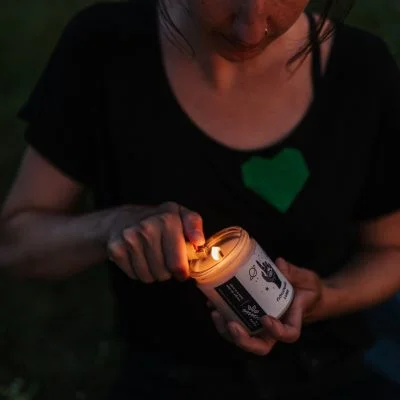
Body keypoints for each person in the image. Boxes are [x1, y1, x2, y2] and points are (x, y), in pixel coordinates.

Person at [1, 0, 400, 398]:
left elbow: (390, 249)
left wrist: (327, 298)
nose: (250, 29)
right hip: (172, 377)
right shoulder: (107, 48)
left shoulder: (359, 68)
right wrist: (111, 226)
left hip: (331, 371)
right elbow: (16, 243)